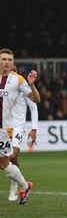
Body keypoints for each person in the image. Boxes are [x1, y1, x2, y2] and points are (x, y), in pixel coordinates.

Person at [0, 48, 40, 205]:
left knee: (6, 161)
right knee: (4, 163)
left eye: (10, 60)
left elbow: (35, 100)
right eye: (4, 59)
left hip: (4, 130)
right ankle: (25, 186)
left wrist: (32, 85)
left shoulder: (18, 80)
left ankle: (22, 185)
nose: (7, 62)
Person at [8, 66, 39, 201]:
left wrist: (34, 128)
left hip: (18, 127)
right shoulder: (4, 88)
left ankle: (16, 184)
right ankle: (17, 180)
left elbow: (34, 107)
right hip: (4, 126)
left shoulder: (22, 87)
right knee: (8, 159)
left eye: (13, 70)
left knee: (13, 154)